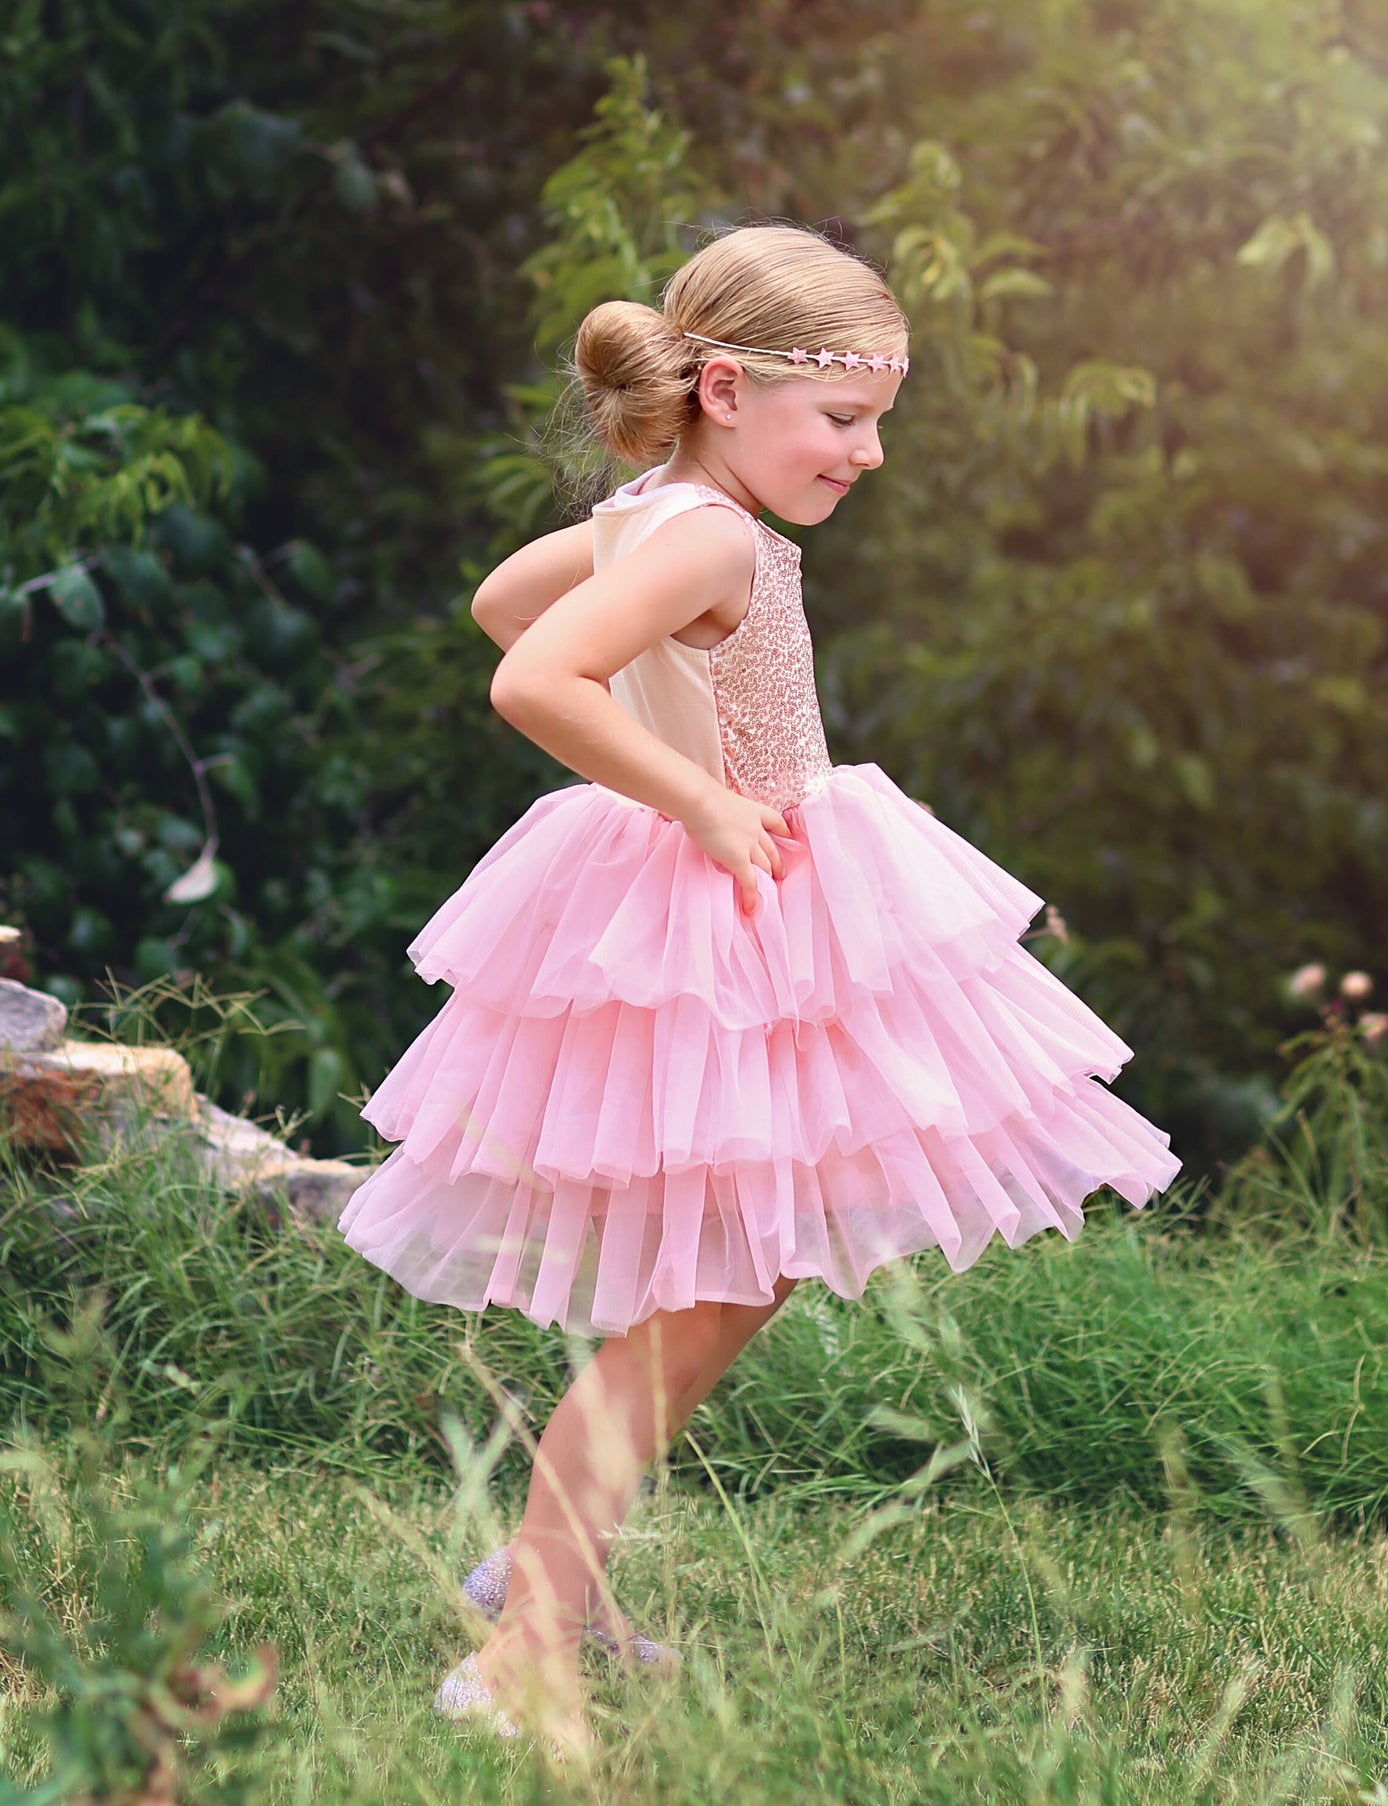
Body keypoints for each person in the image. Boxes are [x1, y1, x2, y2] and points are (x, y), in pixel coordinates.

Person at [335, 223, 1181, 1755]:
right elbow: (527, 678)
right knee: (704, 1294)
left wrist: (671, 734)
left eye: (877, 422)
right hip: (739, 891)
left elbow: (508, 600)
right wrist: (701, 797)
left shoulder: (657, 513)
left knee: (705, 1279)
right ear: (724, 386)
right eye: (842, 419)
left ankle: (562, 1586)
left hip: (724, 900)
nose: (865, 455)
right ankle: (529, 1636)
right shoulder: (711, 535)